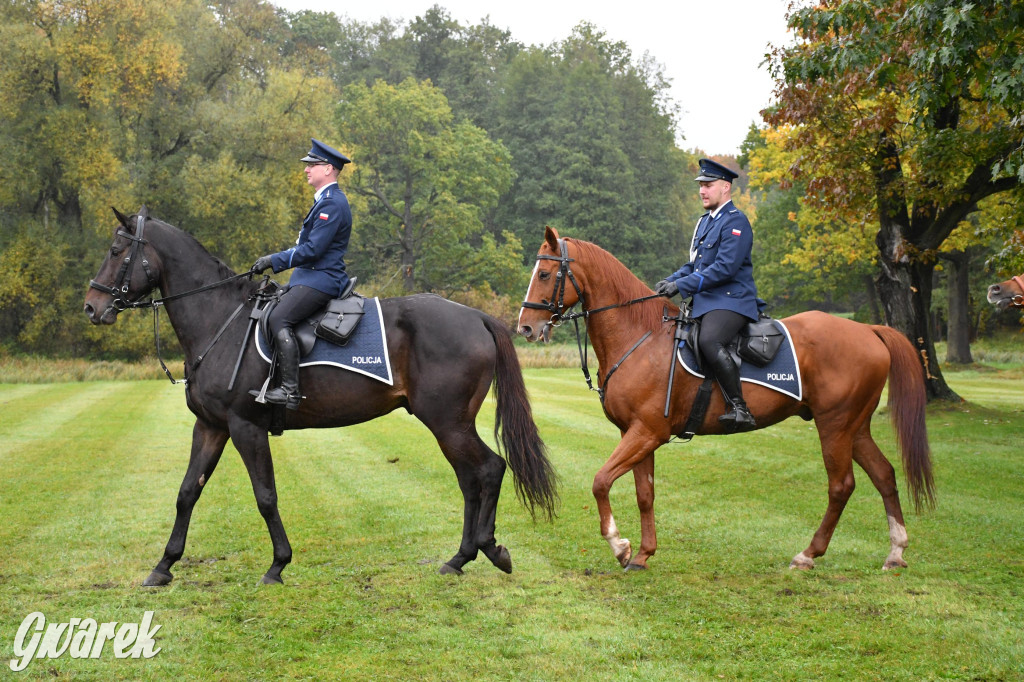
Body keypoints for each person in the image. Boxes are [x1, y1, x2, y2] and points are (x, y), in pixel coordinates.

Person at [655, 158, 759, 432]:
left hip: (732, 300)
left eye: (708, 185)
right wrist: (671, 281)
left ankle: (739, 407)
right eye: (701, 185)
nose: (702, 190)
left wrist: (685, 286)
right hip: (707, 301)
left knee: (710, 339)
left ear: (725, 187)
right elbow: (694, 265)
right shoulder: (704, 223)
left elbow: (725, 268)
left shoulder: (736, 222)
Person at [251, 138, 353, 409]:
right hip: (309, 278)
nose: (306, 169)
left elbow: (312, 250)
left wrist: (273, 259)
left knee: (279, 318)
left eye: (312, 165)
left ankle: (290, 392)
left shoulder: (332, 204)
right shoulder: (324, 201)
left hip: (322, 279)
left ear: (328, 169)